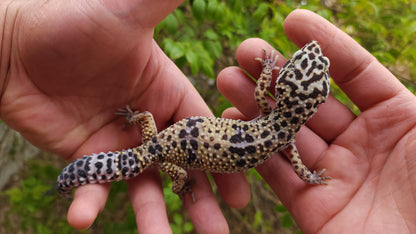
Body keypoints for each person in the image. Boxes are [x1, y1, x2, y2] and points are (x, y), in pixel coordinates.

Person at [0, 0, 415, 233]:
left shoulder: (270, 110)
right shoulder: (285, 138)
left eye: (308, 67)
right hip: (169, 152)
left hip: (164, 140)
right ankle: (133, 177)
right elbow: (302, 169)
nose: (316, 59)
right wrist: (313, 179)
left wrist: (269, 70)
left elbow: (257, 91)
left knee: (149, 137)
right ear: (312, 102)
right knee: (182, 177)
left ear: (296, 92)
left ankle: (81, 171)